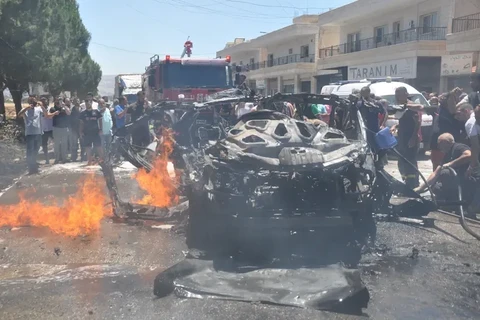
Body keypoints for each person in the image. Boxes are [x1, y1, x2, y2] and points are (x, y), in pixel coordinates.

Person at [414, 133, 477, 217]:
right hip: (459, 181)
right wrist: (420, 188)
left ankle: (461, 202)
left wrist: (451, 164)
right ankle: (451, 203)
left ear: (446, 142)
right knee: (435, 187)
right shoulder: (447, 154)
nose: (438, 146)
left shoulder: (458, 147)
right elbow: (436, 173)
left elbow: (469, 155)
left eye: (439, 143)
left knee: (445, 173)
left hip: (470, 180)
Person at [390, 86, 424, 189]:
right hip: (402, 137)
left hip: (411, 137)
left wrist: (413, 138)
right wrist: (395, 126)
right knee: (402, 161)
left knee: (410, 161)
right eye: (396, 95)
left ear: (406, 94)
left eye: (399, 94)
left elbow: (417, 123)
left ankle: (413, 184)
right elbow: (404, 121)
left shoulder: (412, 106)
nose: (398, 96)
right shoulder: (400, 106)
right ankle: (406, 181)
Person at [430, 93, 465, 170]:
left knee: (448, 168)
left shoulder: (456, 113)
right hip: (436, 145)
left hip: (449, 146)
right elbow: (420, 107)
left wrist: (451, 95)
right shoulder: (437, 109)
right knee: (436, 169)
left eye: (445, 98)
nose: (442, 98)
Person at [17, 96, 50, 174]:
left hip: (38, 133)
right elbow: (19, 115)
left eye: (34, 102)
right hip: (30, 133)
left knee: (36, 150)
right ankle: (30, 168)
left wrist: (41, 106)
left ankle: (34, 166)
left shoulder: (38, 109)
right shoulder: (26, 109)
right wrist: (26, 108)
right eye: (32, 102)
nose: (34, 103)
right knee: (30, 151)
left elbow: (46, 115)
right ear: (29, 102)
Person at [357, 87, 386, 152]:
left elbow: (384, 113)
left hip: (374, 127)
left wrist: (382, 124)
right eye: (362, 93)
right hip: (362, 127)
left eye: (364, 93)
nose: (363, 94)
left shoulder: (376, 103)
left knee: (375, 145)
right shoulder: (359, 103)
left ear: (368, 92)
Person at [79, 100, 103, 165]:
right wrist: (80, 132)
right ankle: (89, 160)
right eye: (86, 104)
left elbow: (100, 120)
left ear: (91, 104)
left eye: (88, 104)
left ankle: (102, 159)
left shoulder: (96, 111)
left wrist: (101, 129)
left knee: (98, 146)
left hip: (95, 132)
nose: (87, 105)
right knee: (88, 147)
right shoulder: (83, 113)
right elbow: (81, 123)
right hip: (87, 132)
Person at [48, 97, 71, 164]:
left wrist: (64, 106)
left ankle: (64, 158)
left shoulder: (64, 108)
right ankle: (57, 159)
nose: (59, 102)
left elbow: (69, 113)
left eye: (60, 100)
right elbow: (49, 117)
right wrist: (54, 113)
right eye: (58, 100)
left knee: (64, 144)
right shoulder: (53, 108)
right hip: (56, 128)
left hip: (64, 128)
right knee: (56, 145)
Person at [40, 97, 53, 164]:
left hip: (51, 128)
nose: (44, 102)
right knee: (44, 145)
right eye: (42, 101)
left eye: (45, 100)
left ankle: (58, 156)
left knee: (56, 142)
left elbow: (50, 116)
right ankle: (46, 159)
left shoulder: (50, 108)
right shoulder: (39, 110)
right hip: (43, 130)